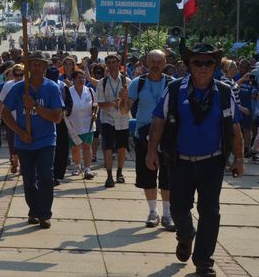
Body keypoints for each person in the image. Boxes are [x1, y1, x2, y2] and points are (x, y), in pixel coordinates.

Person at [147, 43, 244, 277]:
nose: (202, 67)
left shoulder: (224, 92)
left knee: (210, 211)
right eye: (197, 62)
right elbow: (158, 122)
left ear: (215, 66)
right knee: (179, 208)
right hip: (180, 161)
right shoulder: (173, 89)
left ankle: (203, 262)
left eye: (208, 62)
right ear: (189, 65)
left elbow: (235, 128)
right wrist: (151, 151)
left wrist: (239, 158)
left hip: (212, 162)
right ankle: (185, 234)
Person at [2, 51, 63, 229]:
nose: (36, 67)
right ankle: (34, 210)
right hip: (25, 142)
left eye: (40, 64)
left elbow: (57, 117)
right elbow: (5, 113)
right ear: (28, 66)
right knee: (29, 181)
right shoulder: (19, 88)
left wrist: (35, 106)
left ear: (45, 67)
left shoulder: (52, 88)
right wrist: (20, 132)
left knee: (46, 176)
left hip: (45, 141)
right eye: (33, 64)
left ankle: (45, 213)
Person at [128, 50, 175, 230]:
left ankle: (167, 214)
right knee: (148, 175)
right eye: (152, 61)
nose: (155, 65)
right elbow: (125, 109)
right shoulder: (137, 83)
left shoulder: (172, 84)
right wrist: (123, 101)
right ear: (146, 62)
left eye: (159, 62)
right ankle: (153, 212)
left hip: (167, 136)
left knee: (167, 177)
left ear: (164, 63)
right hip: (143, 135)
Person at [97, 54, 131, 188]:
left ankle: (120, 173)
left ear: (119, 64)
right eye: (109, 62)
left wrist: (124, 98)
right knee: (108, 148)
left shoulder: (126, 81)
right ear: (107, 65)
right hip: (107, 119)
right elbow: (100, 104)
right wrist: (113, 103)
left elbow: (129, 103)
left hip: (122, 120)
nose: (112, 65)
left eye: (114, 62)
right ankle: (109, 176)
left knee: (122, 148)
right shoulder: (102, 82)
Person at [63, 69, 97, 179]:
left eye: (83, 77)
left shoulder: (90, 90)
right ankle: (77, 166)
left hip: (88, 122)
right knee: (75, 147)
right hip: (73, 123)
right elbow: (64, 106)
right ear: (73, 79)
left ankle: (87, 169)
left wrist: (94, 113)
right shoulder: (68, 91)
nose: (81, 80)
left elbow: (95, 105)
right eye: (78, 78)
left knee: (87, 146)